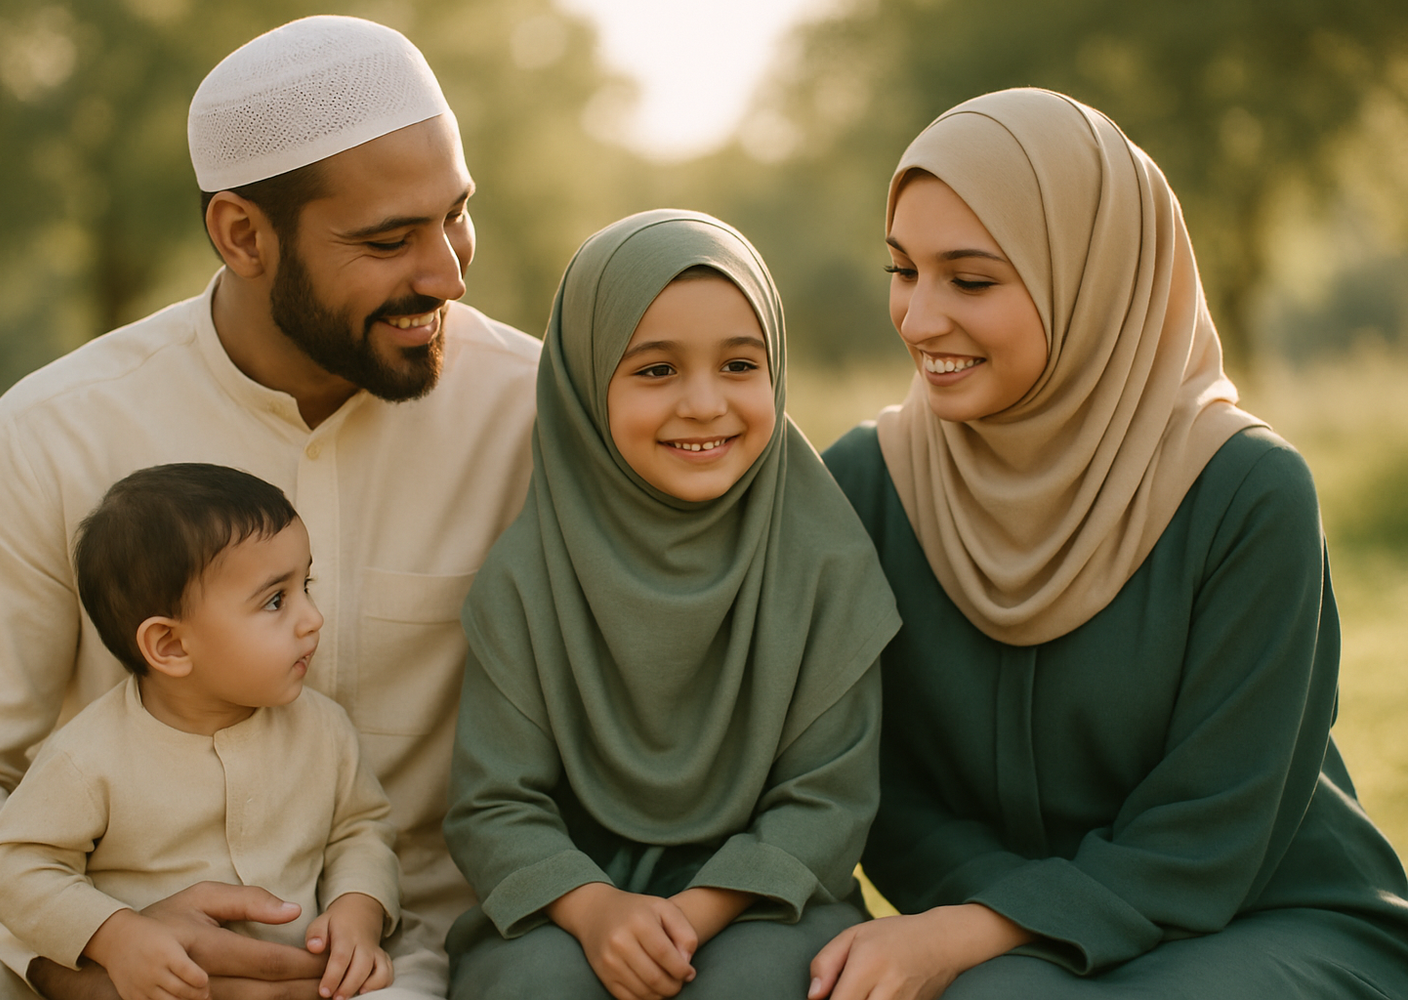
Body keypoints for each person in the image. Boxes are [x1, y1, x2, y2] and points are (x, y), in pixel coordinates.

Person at [0, 15, 540, 1000]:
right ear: (243, 233)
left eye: (455, 213)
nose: (448, 275)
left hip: (406, 954)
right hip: (108, 939)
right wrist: (95, 956)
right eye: (388, 239)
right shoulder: (53, 433)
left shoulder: (539, 413)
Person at [810, 88, 1408, 999]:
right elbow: (868, 773)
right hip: (1002, 934)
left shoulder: (1245, 490)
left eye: (970, 279)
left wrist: (985, 927)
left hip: (1268, 915)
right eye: (903, 270)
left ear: (1093, 278)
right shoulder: (867, 483)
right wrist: (993, 922)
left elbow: (1219, 820)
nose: (920, 319)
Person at [441, 209, 902, 1000]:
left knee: (768, 985)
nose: (703, 403)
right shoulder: (529, 576)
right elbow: (494, 803)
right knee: (534, 987)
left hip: (767, 902)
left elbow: (829, 795)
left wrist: (696, 910)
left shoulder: (825, 561)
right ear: (587, 386)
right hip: (569, 898)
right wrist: (592, 910)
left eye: (739, 366)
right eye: (655, 371)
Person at [0, 464, 400, 1000]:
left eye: (306, 584)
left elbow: (360, 829)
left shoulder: (324, 729)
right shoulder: (90, 757)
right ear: (171, 646)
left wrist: (359, 906)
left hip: (310, 982)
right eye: (276, 600)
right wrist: (115, 936)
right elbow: (13, 868)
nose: (312, 618)